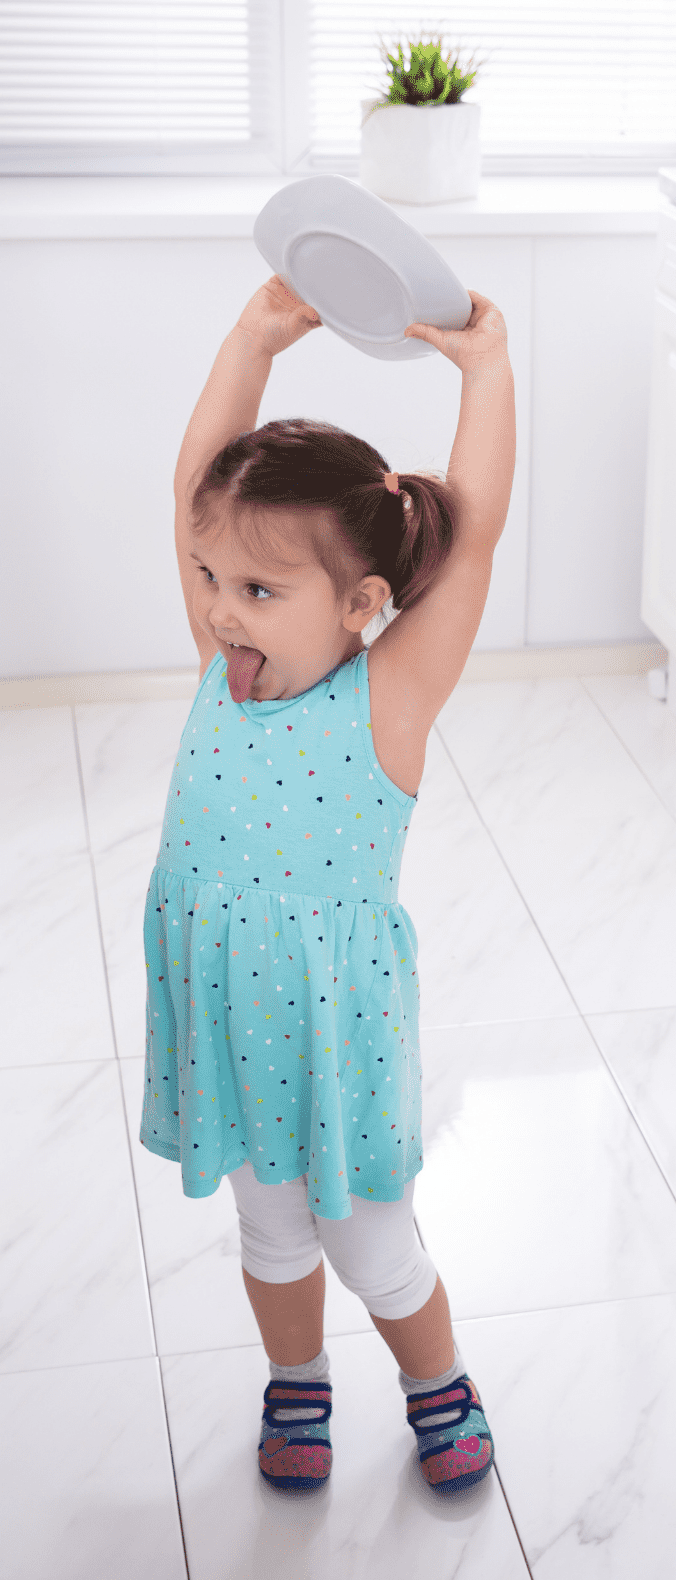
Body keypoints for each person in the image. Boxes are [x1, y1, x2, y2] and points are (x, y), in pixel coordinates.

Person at [141, 274, 514, 1494]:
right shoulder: (223, 663)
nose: (218, 610)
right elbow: (197, 481)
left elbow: (476, 541)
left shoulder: (385, 702)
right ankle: (296, 1383)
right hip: (231, 1033)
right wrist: (250, 338)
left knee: (374, 1249)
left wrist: (486, 370)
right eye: (209, 579)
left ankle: (434, 1380)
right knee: (270, 1234)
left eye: (256, 591)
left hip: (334, 1040)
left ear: (361, 606)